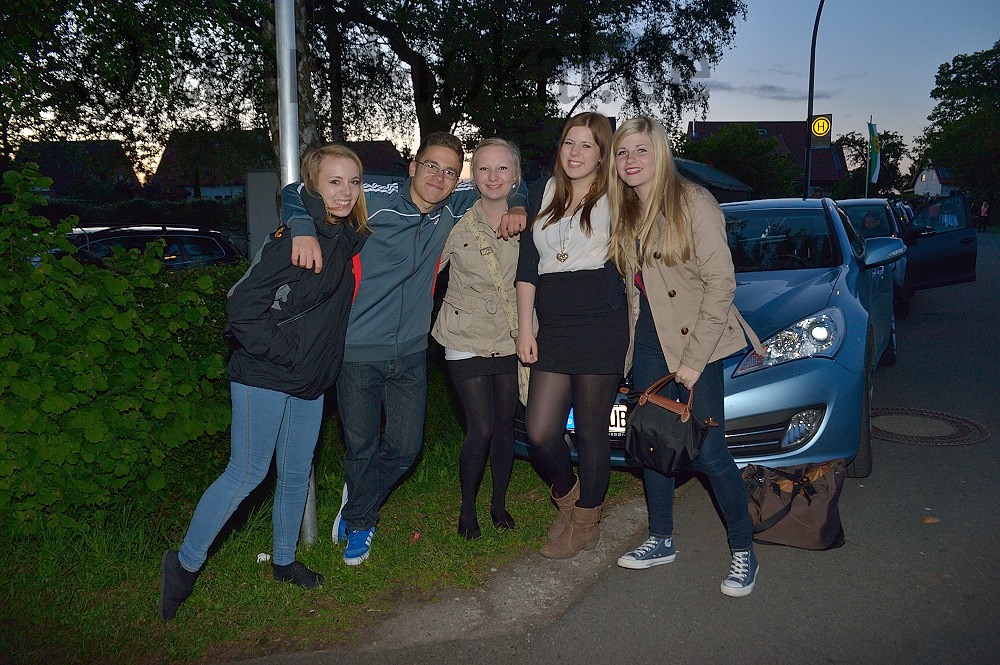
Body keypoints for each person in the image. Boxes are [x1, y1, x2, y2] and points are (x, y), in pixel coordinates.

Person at [285, 132, 527, 566]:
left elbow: (512, 184)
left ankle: (359, 494)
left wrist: (521, 204)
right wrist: (302, 229)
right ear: (413, 167)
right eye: (431, 166)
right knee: (361, 446)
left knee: (405, 448)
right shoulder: (373, 197)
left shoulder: (453, 205)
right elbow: (296, 190)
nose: (439, 177)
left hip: (412, 352)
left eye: (450, 172)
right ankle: (361, 521)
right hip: (357, 350)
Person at [159, 145, 370, 621]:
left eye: (353, 182)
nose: (345, 192)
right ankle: (184, 564)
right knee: (247, 473)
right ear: (314, 186)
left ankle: (284, 560)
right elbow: (241, 308)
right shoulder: (293, 241)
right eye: (334, 182)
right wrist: (286, 353)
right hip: (266, 373)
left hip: (308, 380)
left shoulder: (346, 237)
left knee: (296, 472)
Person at [607, 117, 764, 597]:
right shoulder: (626, 209)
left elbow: (721, 284)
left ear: (660, 153)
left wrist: (694, 361)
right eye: (622, 152)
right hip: (649, 341)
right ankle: (660, 538)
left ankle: (744, 550)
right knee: (653, 442)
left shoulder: (694, 202)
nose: (630, 160)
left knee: (709, 452)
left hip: (698, 341)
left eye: (641, 150)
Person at [515, 112, 629, 560]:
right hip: (555, 325)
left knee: (590, 431)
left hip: (601, 323)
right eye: (569, 143)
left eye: (587, 145)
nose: (575, 153)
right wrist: (526, 328)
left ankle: (585, 523)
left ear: (602, 154)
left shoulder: (617, 193)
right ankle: (571, 500)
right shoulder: (543, 191)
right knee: (540, 431)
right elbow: (528, 267)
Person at [431, 138, 526, 539]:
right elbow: (426, 271)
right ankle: (467, 509)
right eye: (484, 168)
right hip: (463, 334)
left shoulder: (531, 221)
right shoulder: (454, 220)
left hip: (511, 335)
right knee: (481, 426)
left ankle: (498, 504)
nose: (493, 176)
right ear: (473, 175)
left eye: (502, 168)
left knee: (505, 425)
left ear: (515, 176)